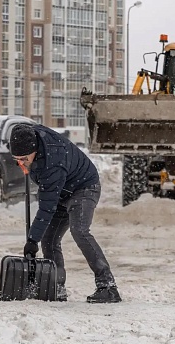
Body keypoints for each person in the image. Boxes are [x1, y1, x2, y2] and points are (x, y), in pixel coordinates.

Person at [10, 124, 121, 304]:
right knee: (49, 239)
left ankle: (108, 287)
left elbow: (47, 207)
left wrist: (31, 241)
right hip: (63, 190)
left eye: (24, 158)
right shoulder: (32, 141)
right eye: (17, 159)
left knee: (80, 230)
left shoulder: (53, 162)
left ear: (34, 149)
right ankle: (56, 287)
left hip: (84, 187)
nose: (21, 163)